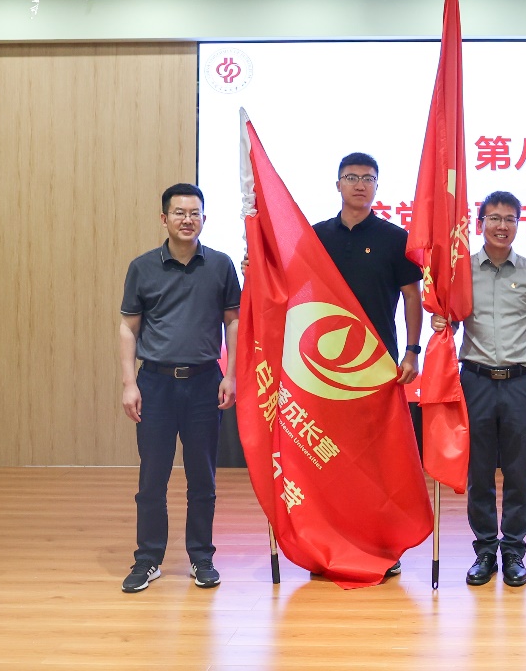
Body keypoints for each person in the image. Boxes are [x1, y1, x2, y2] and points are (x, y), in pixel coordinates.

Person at [244, 152, 423, 578]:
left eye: (368, 178)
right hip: (319, 372)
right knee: (328, 462)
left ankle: (381, 544)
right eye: (352, 177)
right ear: (337, 183)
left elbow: (412, 298)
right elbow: (288, 286)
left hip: (377, 368)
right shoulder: (316, 237)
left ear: (377, 186)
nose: (360, 184)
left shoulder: (395, 238)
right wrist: (256, 267)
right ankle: (328, 543)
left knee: (377, 465)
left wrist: (413, 350)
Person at [119, 183, 241, 593]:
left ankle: (201, 557)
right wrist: (129, 383)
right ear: (164, 218)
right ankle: (148, 559)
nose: (187, 220)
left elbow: (233, 322)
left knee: (202, 478)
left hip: (205, 382)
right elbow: (128, 327)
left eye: (194, 213)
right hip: (155, 384)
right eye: (179, 213)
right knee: (152, 479)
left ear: (204, 218)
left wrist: (231, 374)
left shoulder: (221, 265)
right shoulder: (142, 267)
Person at [432, 191, 526, 587]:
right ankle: (485, 550)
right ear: (480, 223)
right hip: (476, 381)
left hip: (520, 383)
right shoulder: (461, 271)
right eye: (495, 218)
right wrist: (440, 322)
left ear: (518, 224)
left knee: (519, 472)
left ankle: (513, 551)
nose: (502, 226)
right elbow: (450, 321)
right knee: (479, 471)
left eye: (510, 219)